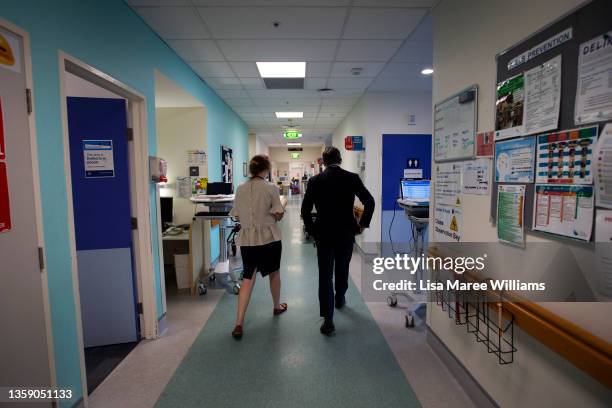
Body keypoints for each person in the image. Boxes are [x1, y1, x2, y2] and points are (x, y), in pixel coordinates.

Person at [301, 146, 375, 336]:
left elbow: (305, 211)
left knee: (325, 275)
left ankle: (328, 320)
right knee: (342, 267)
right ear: (340, 160)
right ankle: (340, 296)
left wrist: (313, 231)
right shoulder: (352, 178)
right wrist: (362, 225)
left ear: (323, 162)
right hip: (346, 233)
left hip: (324, 234)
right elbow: (370, 201)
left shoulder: (315, 181)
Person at [229, 155, 287, 339]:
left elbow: (237, 216)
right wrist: (281, 206)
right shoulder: (271, 188)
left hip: (248, 240)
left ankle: (238, 323)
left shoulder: (240, 188)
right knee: (274, 273)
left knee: (248, 278)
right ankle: (277, 306)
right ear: (266, 169)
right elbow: (278, 214)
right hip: (269, 239)